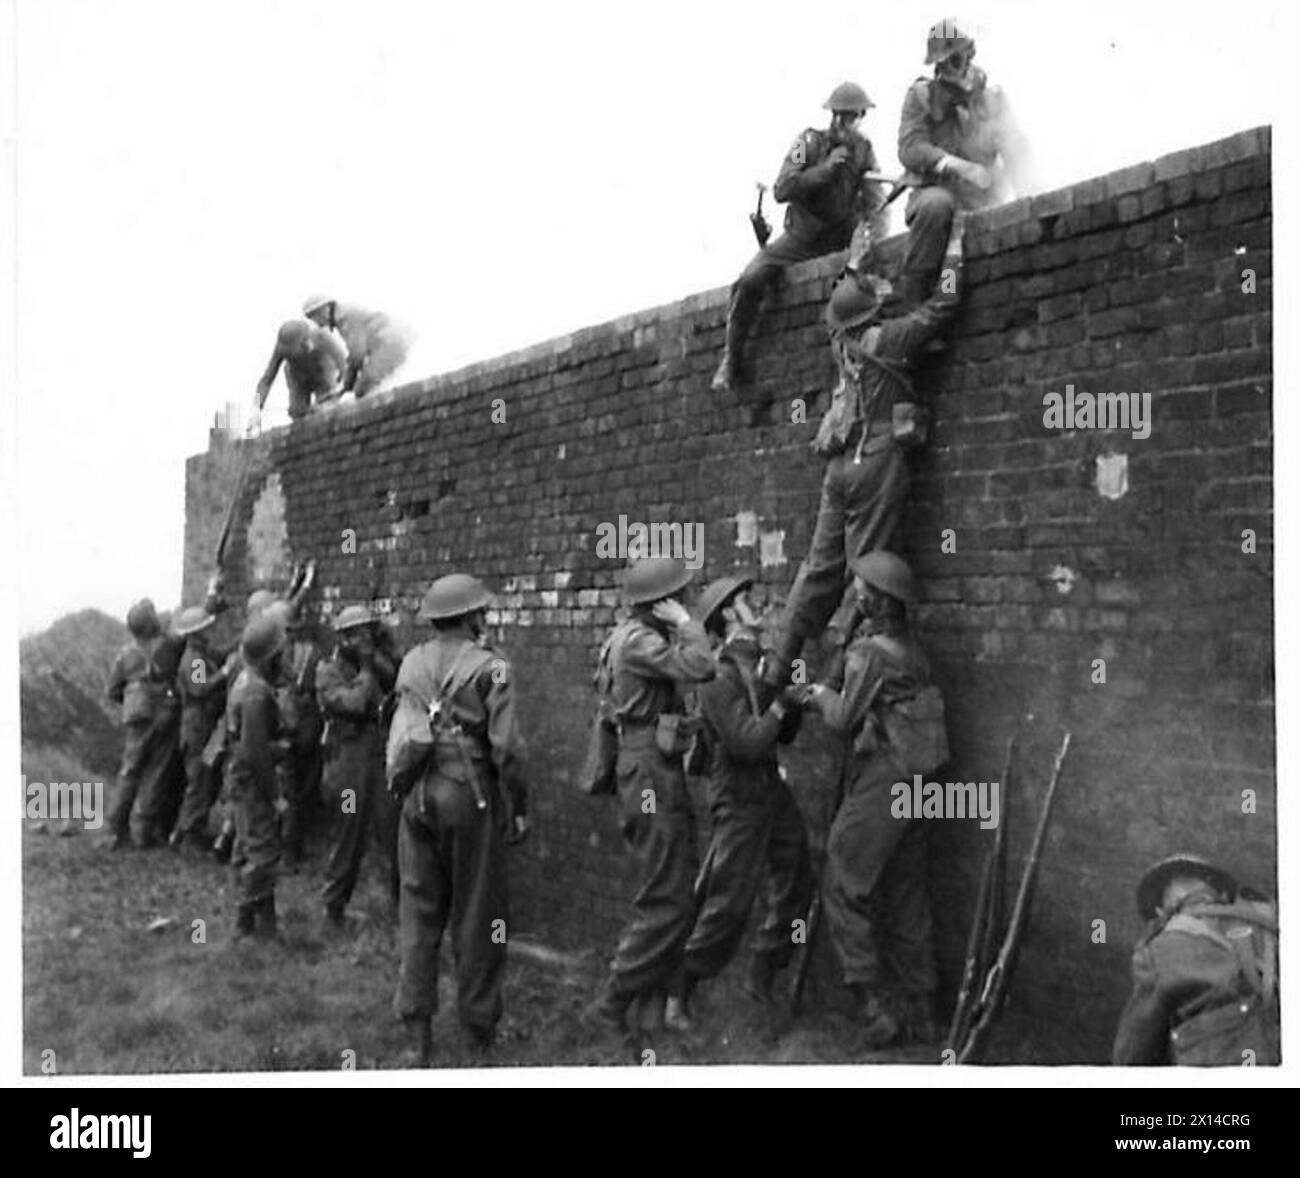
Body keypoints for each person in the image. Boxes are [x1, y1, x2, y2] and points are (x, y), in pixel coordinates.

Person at [766, 263, 962, 687]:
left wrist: (856, 262)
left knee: (817, 571)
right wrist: (953, 257)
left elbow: (845, 301)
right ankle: (837, 683)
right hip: (877, 461)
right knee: (868, 576)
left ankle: (774, 677)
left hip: (839, 468)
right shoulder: (888, 339)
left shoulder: (840, 345)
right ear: (872, 312)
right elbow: (944, 305)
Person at [386, 574, 529, 1063]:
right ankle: (477, 1030)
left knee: (418, 912)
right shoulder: (494, 669)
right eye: (481, 612)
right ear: (471, 617)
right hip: (469, 799)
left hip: (417, 795)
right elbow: (507, 750)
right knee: (479, 915)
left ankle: (416, 1035)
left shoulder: (410, 662)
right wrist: (518, 808)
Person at [803, 551, 941, 1047]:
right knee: (905, 888)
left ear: (874, 598)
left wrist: (817, 692)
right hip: (923, 779)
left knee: (842, 878)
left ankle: (874, 1007)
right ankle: (922, 1008)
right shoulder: (912, 649)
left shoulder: (871, 654)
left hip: (888, 777)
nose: (854, 592)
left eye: (860, 587)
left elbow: (841, 720)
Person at [670, 575, 811, 1028]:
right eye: (748, 601)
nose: (759, 605)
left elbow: (779, 735)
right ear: (729, 614)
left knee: (797, 880)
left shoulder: (759, 664)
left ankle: (761, 975)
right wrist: (777, 709)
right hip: (738, 795)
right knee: (728, 902)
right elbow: (746, 743)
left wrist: (789, 702)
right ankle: (678, 992)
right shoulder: (715, 677)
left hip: (771, 789)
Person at [583, 557, 716, 1035]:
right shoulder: (640, 641)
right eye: (677, 597)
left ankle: (652, 1009)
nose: (683, 602)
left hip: (646, 765)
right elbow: (702, 666)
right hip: (649, 774)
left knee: (668, 881)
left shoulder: (629, 636)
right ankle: (613, 1000)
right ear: (659, 604)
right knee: (669, 896)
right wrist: (688, 626)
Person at [712, 83, 887, 392]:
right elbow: (782, 188)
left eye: (854, 117)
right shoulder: (807, 143)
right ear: (833, 117)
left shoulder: (864, 151)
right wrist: (824, 170)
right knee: (752, 279)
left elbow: (876, 201)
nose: (848, 124)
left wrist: (874, 234)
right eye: (842, 117)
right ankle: (731, 358)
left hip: (841, 239)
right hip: (801, 239)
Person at [896, 18, 1030, 304]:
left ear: (969, 54)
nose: (948, 69)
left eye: (954, 59)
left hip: (982, 199)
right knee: (936, 207)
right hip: (937, 193)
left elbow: (1017, 153)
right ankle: (916, 310)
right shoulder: (922, 96)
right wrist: (958, 165)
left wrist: (1028, 199)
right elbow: (910, 147)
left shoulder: (992, 100)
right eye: (941, 64)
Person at [1112, 854, 1279, 1066]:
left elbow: (1132, 1053)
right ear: (1220, 893)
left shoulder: (1162, 944)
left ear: (1161, 910)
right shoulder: (1267, 924)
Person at [315, 604, 397, 926]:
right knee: (349, 836)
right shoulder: (328, 671)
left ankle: (402, 909)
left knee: (393, 832)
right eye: (358, 635)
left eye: (368, 633)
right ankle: (333, 907)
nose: (365, 641)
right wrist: (365, 666)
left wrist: (378, 656)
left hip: (377, 762)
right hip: (347, 765)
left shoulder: (374, 665)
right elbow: (356, 703)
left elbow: (395, 680)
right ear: (345, 638)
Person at [224, 614, 289, 939]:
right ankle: (251, 926)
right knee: (262, 852)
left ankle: (257, 925)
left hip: (242, 778)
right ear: (270, 655)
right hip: (252, 782)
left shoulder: (244, 681)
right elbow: (255, 752)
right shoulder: (256, 692)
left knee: (248, 847)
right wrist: (274, 795)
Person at [105, 598, 185, 850]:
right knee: (156, 771)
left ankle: (115, 829)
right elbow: (189, 647)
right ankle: (142, 832)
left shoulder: (125, 655)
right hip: (166, 713)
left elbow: (112, 690)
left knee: (129, 771)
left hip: (137, 715)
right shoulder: (170, 645)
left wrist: (131, 698)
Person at [171, 605, 236, 852]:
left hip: (198, 723)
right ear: (196, 633)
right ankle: (190, 835)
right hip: (196, 723)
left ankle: (182, 831)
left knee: (200, 779)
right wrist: (224, 673)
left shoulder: (199, 655)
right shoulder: (195, 660)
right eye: (205, 629)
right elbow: (200, 689)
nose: (210, 632)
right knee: (198, 780)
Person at [302, 294, 413, 399]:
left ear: (325, 310)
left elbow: (357, 354)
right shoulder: (343, 318)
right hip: (392, 341)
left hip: (391, 342)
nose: (316, 323)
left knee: (365, 386)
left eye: (315, 317)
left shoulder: (346, 318)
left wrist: (347, 384)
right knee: (366, 386)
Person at [250, 317, 347, 428]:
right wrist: (256, 407)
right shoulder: (282, 347)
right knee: (298, 413)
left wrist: (340, 391)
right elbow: (267, 380)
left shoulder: (322, 336)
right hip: (297, 377)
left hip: (322, 371)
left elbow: (344, 364)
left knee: (326, 408)